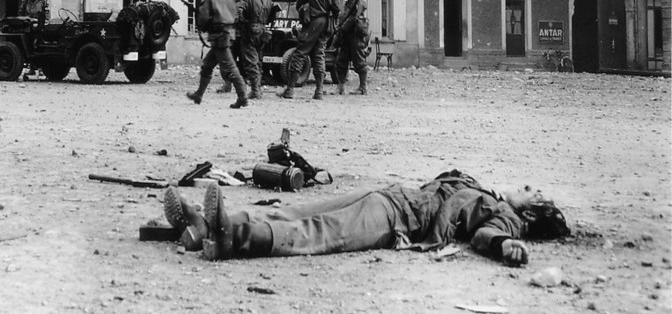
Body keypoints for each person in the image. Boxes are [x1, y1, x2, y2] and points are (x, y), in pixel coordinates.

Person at [162, 170, 570, 265]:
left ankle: (235, 238)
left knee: (319, 232)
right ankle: (204, 225)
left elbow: (486, 237)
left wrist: (505, 245)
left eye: (534, 193)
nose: (527, 188)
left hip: (398, 216)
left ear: (532, 211)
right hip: (391, 195)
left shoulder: (507, 219)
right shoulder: (488, 191)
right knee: (299, 209)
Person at [186, 0, 249, 109]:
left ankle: (243, 97)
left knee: (231, 68)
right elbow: (236, 16)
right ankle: (199, 94)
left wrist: (203, 26)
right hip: (227, 34)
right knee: (207, 66)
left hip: (218, 37)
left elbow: (203, 17)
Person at [279, 0, 339, 100]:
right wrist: (331, 22)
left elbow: (299, 3)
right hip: (325, 24)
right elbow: (336, 8)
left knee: (300, 53)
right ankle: (318, 91)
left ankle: (290, 89)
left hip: (312, 23)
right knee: (319, 55)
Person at [330, 0, 371, 95]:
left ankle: (363, 87)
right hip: (345, 37)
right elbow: (343, 16)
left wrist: (343, 27)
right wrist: (339, 26)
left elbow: (354, 18)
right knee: (341, 62)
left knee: (359, 63)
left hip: (355, 37)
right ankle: (340, 87)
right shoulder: (347, 4)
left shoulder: (359, 3)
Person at [236, 0, 272, 100]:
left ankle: (255, 91)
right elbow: (274, 16)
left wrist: (242, 21)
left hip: (249, 31)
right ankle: (258, 89)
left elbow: (237, 11)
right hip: (263, 31)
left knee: (250, 62)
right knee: (259, 61)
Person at [218, 0, 247, 94]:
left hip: (246, 34)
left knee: (246, 61)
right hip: (234, 33)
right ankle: (227, 84)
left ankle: (243, 86)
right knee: (229, 60)